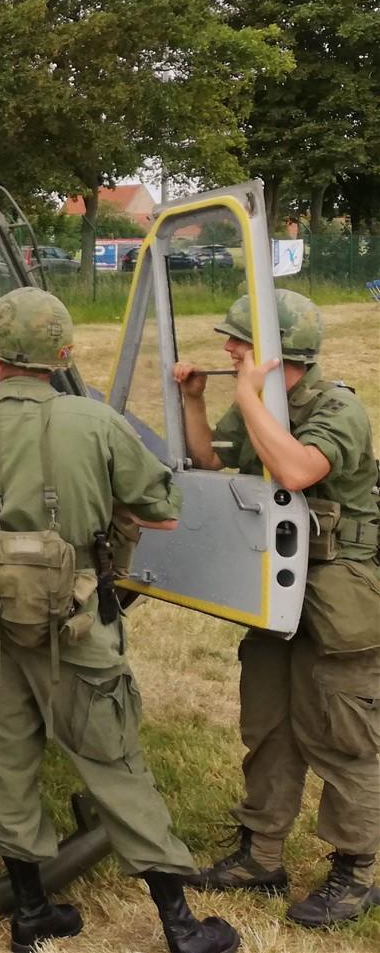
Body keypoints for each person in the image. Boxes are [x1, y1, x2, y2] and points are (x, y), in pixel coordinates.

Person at [0, 287, 240, 953]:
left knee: (7, 762)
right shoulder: (99, 424)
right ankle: (179, 924)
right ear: (62, 355)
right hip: (77, 625)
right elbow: (165, 513)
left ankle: (32, 913)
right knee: (114, 763)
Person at [174, 290, 379, 928]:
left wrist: (246, 394)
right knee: (269, 727)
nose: (229, 348)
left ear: (275, 353)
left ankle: (358, 870)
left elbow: (293, 470)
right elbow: (212, 463)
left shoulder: (336, 407)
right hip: (276, 585)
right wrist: (194, 402)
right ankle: (261, 855)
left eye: (240, 341)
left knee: (343, 735)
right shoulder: (267, 404)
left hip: (338, 595)